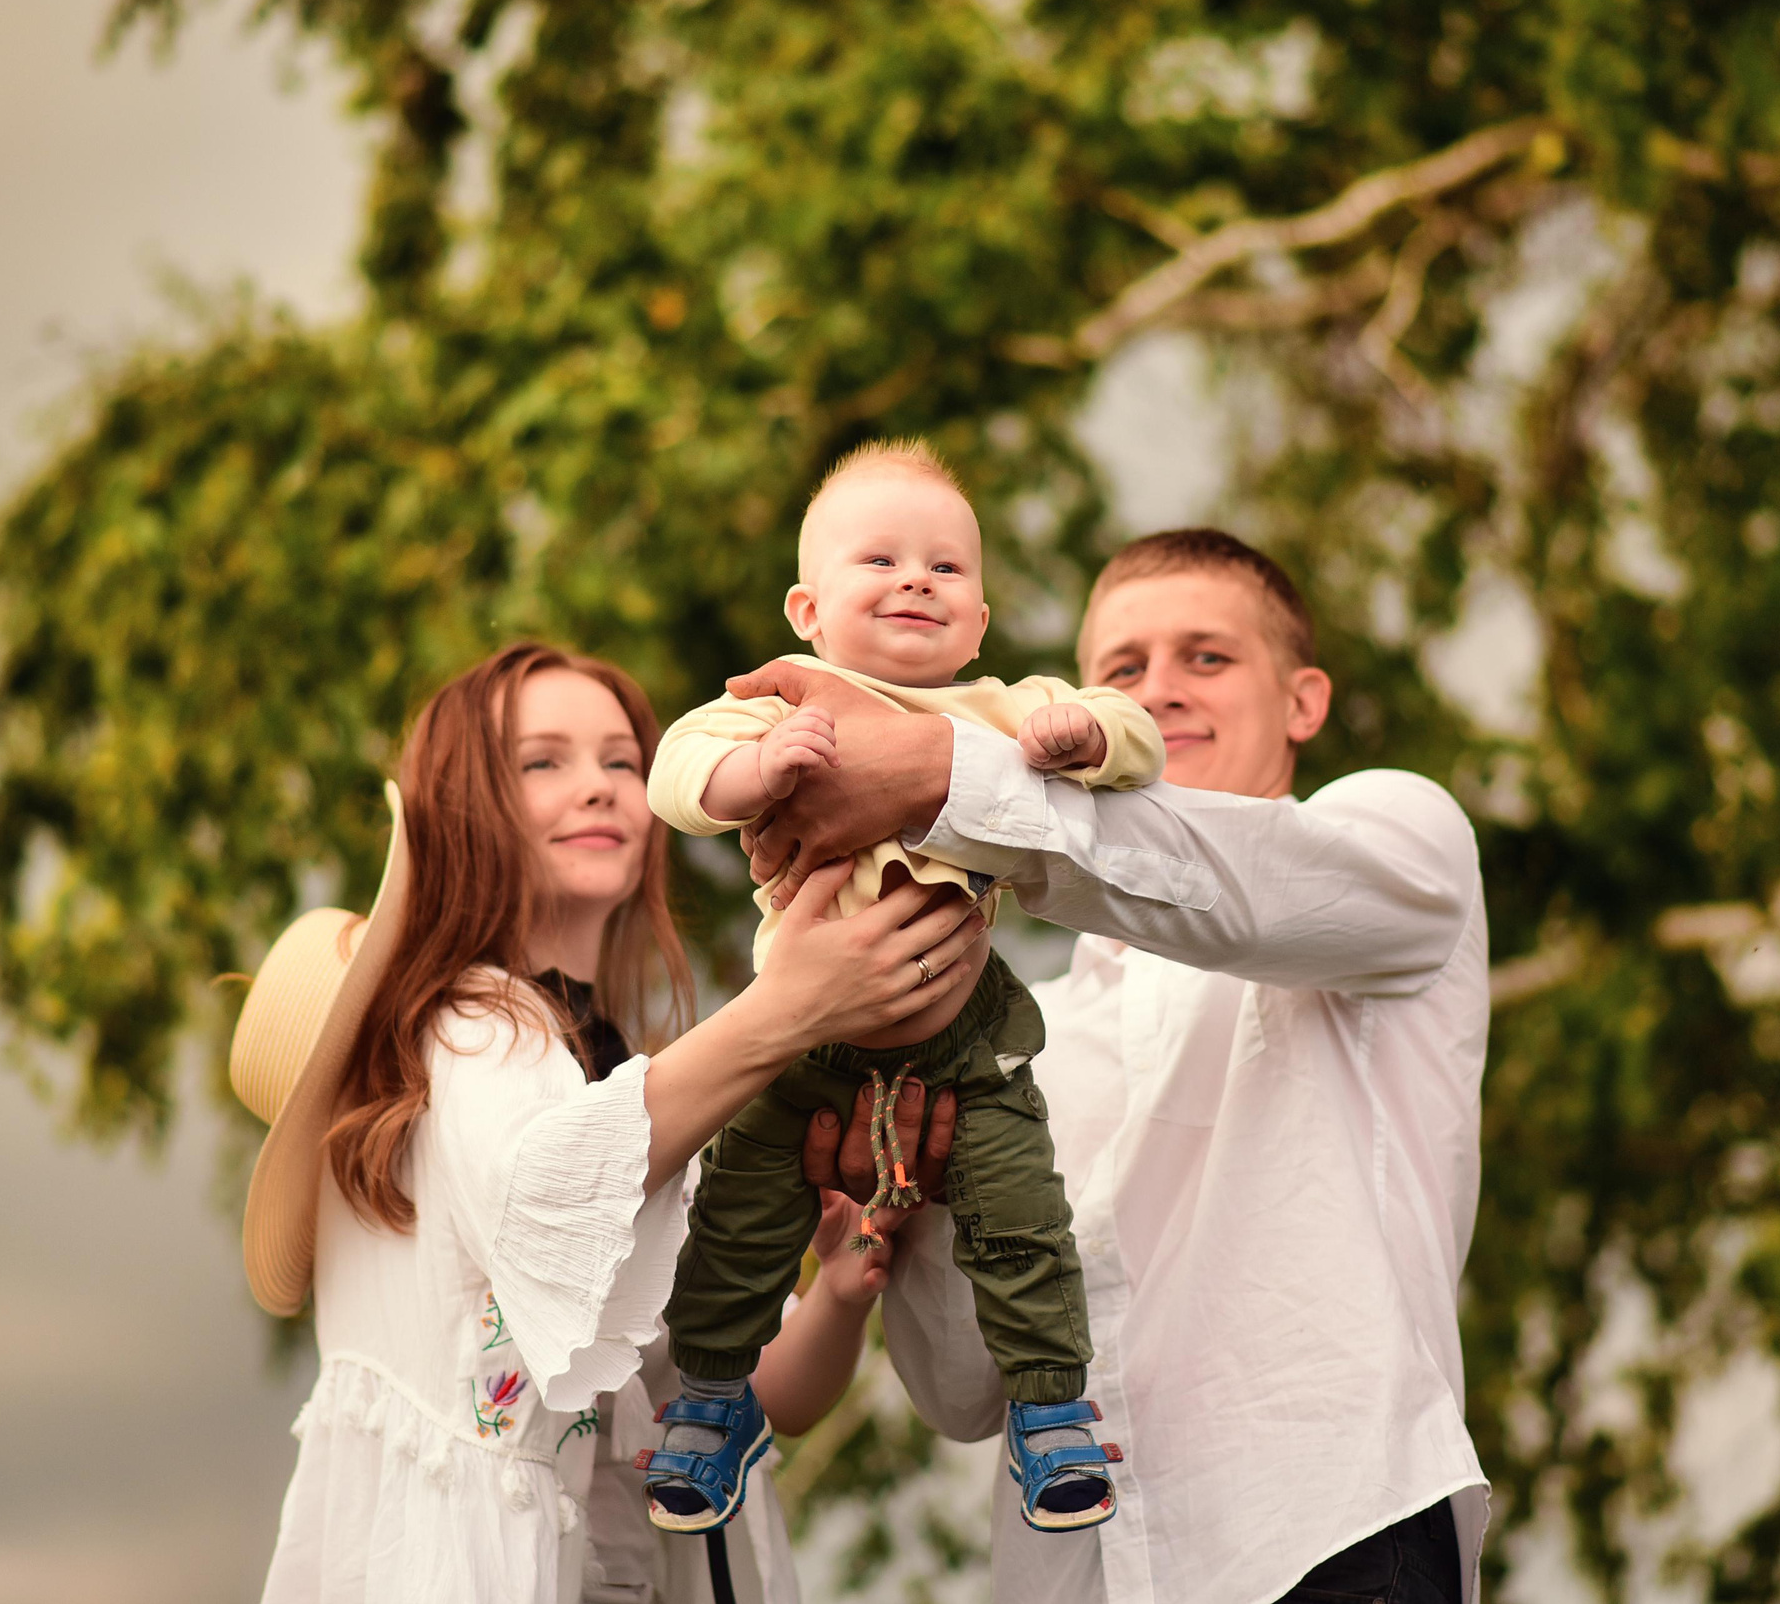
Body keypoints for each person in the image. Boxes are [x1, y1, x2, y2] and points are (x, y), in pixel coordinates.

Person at [746, 531, 1492, 1604]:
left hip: (1325, 1534)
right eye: (1127, 668)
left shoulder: (1389, 838)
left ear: (1304, 700)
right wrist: (915, 1203)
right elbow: (962, 1386)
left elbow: (1236, 880)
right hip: (1075, 1568)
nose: (1166, 690)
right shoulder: (1012, 1032)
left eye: (1208, 656)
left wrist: (937, 778)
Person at [226, 641, 989, 1604]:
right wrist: (787, 1006)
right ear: (462, 813)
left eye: (623, 760)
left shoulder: (612, 1072)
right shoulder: (469, 1026)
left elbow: (752, 1392)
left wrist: (843, 1286)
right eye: (542, 761)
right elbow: (543, 1190)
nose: (598, 787)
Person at [638, 441, 1163, 1538]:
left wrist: (1079, 732)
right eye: (879, 558)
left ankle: (1049, 1406)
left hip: (965, 1041)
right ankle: (713, 1394)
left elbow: (1135, 737)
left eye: (947, 568)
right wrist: (763, 768)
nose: (917, 578)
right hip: (805, 1039)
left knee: (1022, 1213)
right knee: (741, 1214)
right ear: (806, 607)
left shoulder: (996, 707)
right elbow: (678, 771)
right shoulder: (781, 705)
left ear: (979, 621)